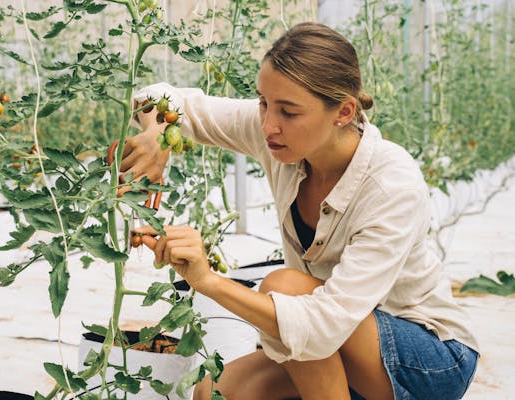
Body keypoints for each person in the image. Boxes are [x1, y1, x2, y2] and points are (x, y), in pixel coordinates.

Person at [122, 22, 479, 400]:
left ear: (343, 111)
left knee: (285, 287)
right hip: (335, 340)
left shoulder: (391, 184)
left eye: (288, 112)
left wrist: (209, 281)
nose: (268, 125)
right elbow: (158, 96)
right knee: (216, 391)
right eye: (263, 102)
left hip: (426, 360)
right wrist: (158, 134)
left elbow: (324, 324)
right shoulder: (275, 134)